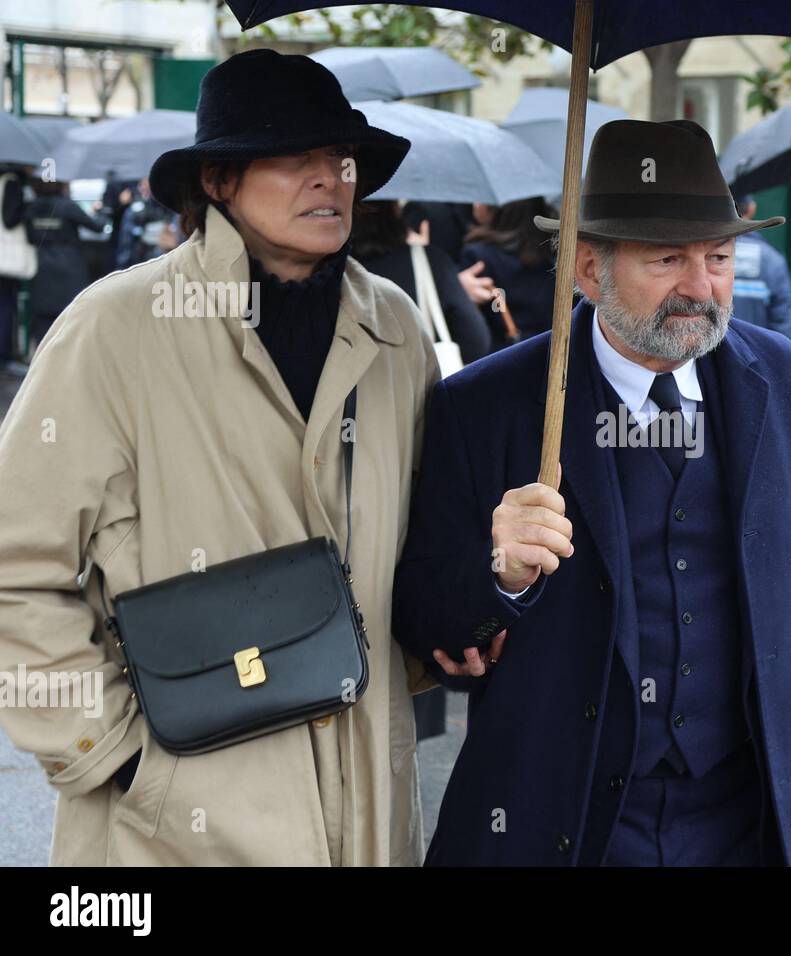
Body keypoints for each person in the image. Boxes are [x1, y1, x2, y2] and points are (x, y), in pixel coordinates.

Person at [0, 48, 454, 866]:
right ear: (216, 181)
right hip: (166, 833)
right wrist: (115, 754)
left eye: (341, 158)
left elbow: (418, 552)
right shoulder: (116, 328)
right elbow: (14, 564)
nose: (331, 178)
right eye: (294, 157)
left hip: (368, 815)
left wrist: (472, 609)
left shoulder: (394, 332)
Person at [393, 119, 791, 867]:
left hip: (746, 813)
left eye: (718, 257)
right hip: (563, 814)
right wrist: (498, 575)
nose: (702, 286)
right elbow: (426, 621)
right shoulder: (486, 405)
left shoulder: (777, 377)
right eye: (668, 259)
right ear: (588, 271)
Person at [352, 200, 491, 364]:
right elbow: (475, 344)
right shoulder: (430, 261)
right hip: (420, 380)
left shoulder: (332, 269)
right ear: (394, 211)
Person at [457, 196, 558, 347]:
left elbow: (469, 327)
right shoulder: (558, 251)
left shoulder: (479, 257)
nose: (475, 203)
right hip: (556, 350)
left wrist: (457, 289)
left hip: (504, 356)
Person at [22, 178, 107, 349]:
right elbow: (98, 226)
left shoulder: (30, 207)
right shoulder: (67, 206)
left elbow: (30, 236)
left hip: (41, 266)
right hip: (70, 268)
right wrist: (101, 210)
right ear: (61, 184)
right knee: (70, 316)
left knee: (43, 320)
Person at [730, 193, 791, 344]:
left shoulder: (704, 256)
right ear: (752, 209)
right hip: (757, 359)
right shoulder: (772, 259)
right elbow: (783, 322)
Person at [0, 164, 32, 368]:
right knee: (6, 305)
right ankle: (4, 356)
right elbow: (10, 219)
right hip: (6, 257)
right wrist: (27, 207)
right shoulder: (11, 182)